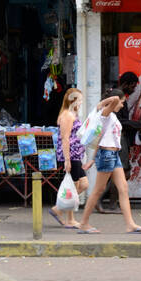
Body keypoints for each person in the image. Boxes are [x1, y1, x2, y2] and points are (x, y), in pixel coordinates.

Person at [74, 91, 141, 234]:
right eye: (121, 102)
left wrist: (91, 159)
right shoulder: (105, 112)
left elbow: (99, 139)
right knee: (98, 190)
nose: (121, 105)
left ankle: (130, 224)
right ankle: (83, 223)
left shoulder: (110, 115)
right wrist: (103, 103)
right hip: (107, 155)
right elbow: (114, 99)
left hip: (113, 155)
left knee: (123, 188)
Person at [109, 70, 141, 213]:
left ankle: (106, 201)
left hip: (119, 138)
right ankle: (110, 203)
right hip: (117, 139)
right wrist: (138, 124)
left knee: (120, 172)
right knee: (122, 172)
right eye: (132, 86)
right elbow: (119, 122)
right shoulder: (117, 96)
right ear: (126, 84)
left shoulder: (118, 95)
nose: (133, 90)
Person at [49, 87, 89, 229]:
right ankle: (70, 218)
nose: (81, 103)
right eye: (79, 100)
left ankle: (58, 208)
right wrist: (67, 160)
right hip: (71, 156)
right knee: (75, 185)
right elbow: (65, 139)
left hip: (76, 155)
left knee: (83, 184)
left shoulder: (72, 114)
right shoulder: (67, 115)